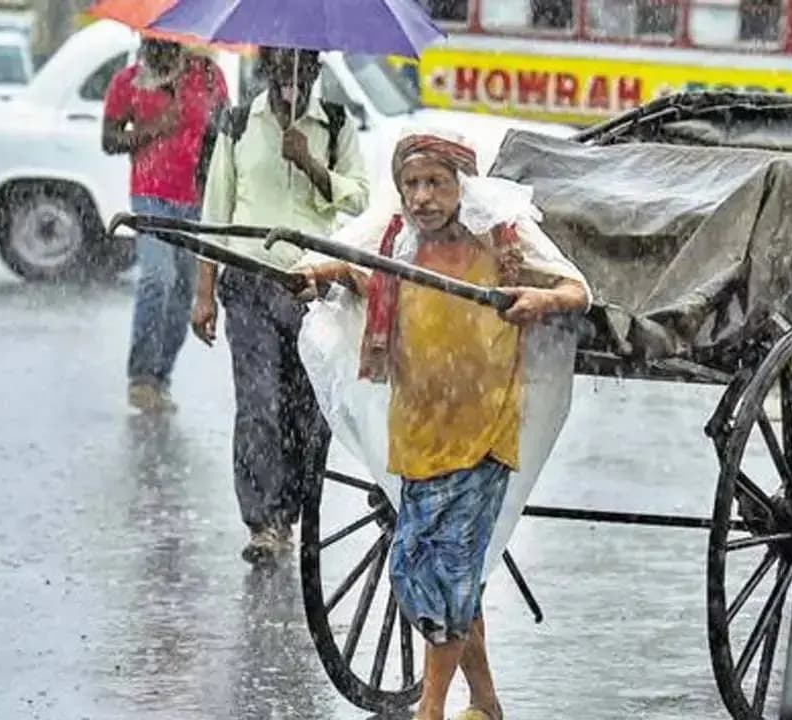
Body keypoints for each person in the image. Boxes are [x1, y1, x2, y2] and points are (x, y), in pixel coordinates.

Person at [299, 129, 590, 720]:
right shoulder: (394, 240)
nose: (423, 197)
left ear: (463, 185)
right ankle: (486, 703)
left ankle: (429, 710)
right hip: (421, 430)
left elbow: (577, 288)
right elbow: (349, 267)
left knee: (452, 568)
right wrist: (318, 275)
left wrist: (543, 302)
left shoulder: (504, 235)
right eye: (411, 184)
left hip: (486, 426)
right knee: (422, 568)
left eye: (435, 183)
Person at [192, 47, 370, 565]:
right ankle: (264, 520)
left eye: (303, 67)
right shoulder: (239, 122)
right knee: (259, 403)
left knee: (304, 408)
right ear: (266, 69)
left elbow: (358, 199)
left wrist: (311, 164)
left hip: (313, 285)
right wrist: (205, 293)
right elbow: (215, 209)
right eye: (281, 66)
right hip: (248, 280)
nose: (291, 77)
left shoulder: (336, 125)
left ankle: (292, 511)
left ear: (316, 71)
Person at [103, 39, 227, 413]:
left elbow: (224, 133)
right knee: (158, 277)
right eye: (150, 40)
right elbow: (109, 140)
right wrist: (154, 128)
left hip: (195, 198)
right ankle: (140, 378)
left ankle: (161, 376)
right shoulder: (129, 82)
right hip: (149, 193)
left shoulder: (207, 77)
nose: (157, 48)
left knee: (183, 292)